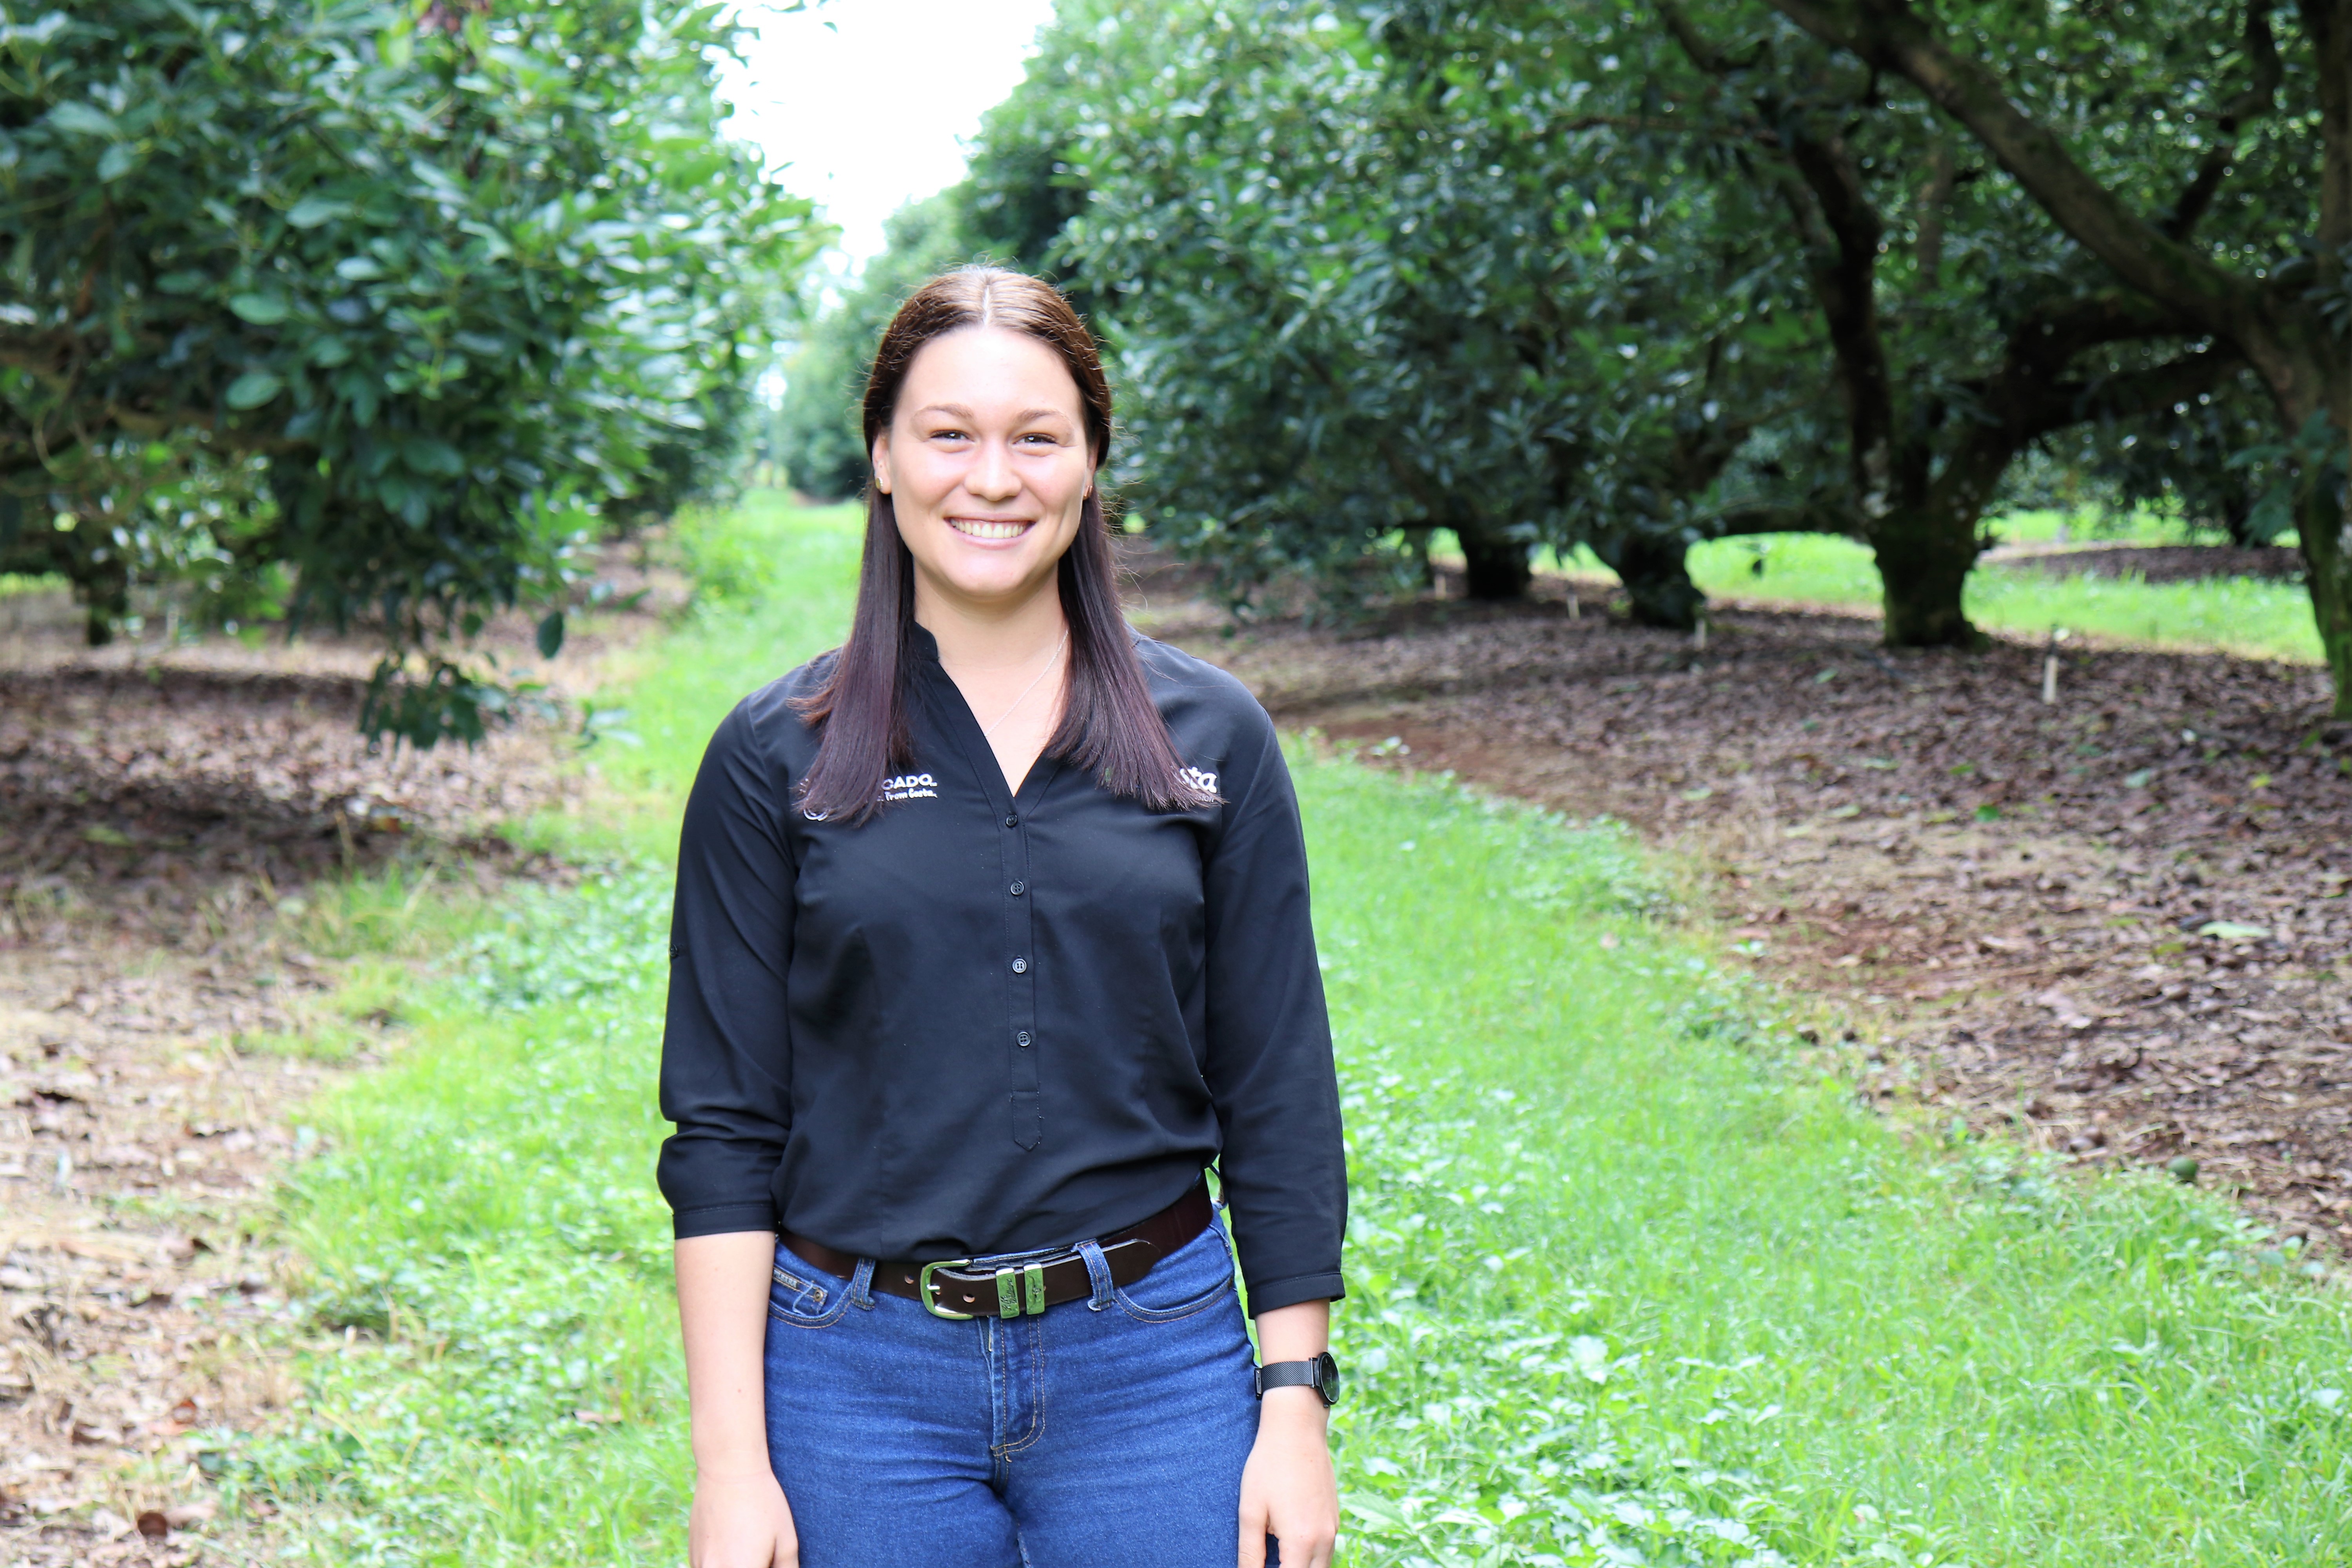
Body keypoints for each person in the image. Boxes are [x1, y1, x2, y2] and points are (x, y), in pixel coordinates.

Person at [657, 266, 1348, 1568]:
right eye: (949, 434)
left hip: (1156, 1365)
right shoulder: (773, 756)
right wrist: (731, 1468)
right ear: (881, 456)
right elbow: (725, 1127)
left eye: (1037, 436)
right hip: (854, 1379)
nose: (993, 478)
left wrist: (1293, 1405)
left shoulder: (1214, 739)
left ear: (1090, 462)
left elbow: (1280, 1088)